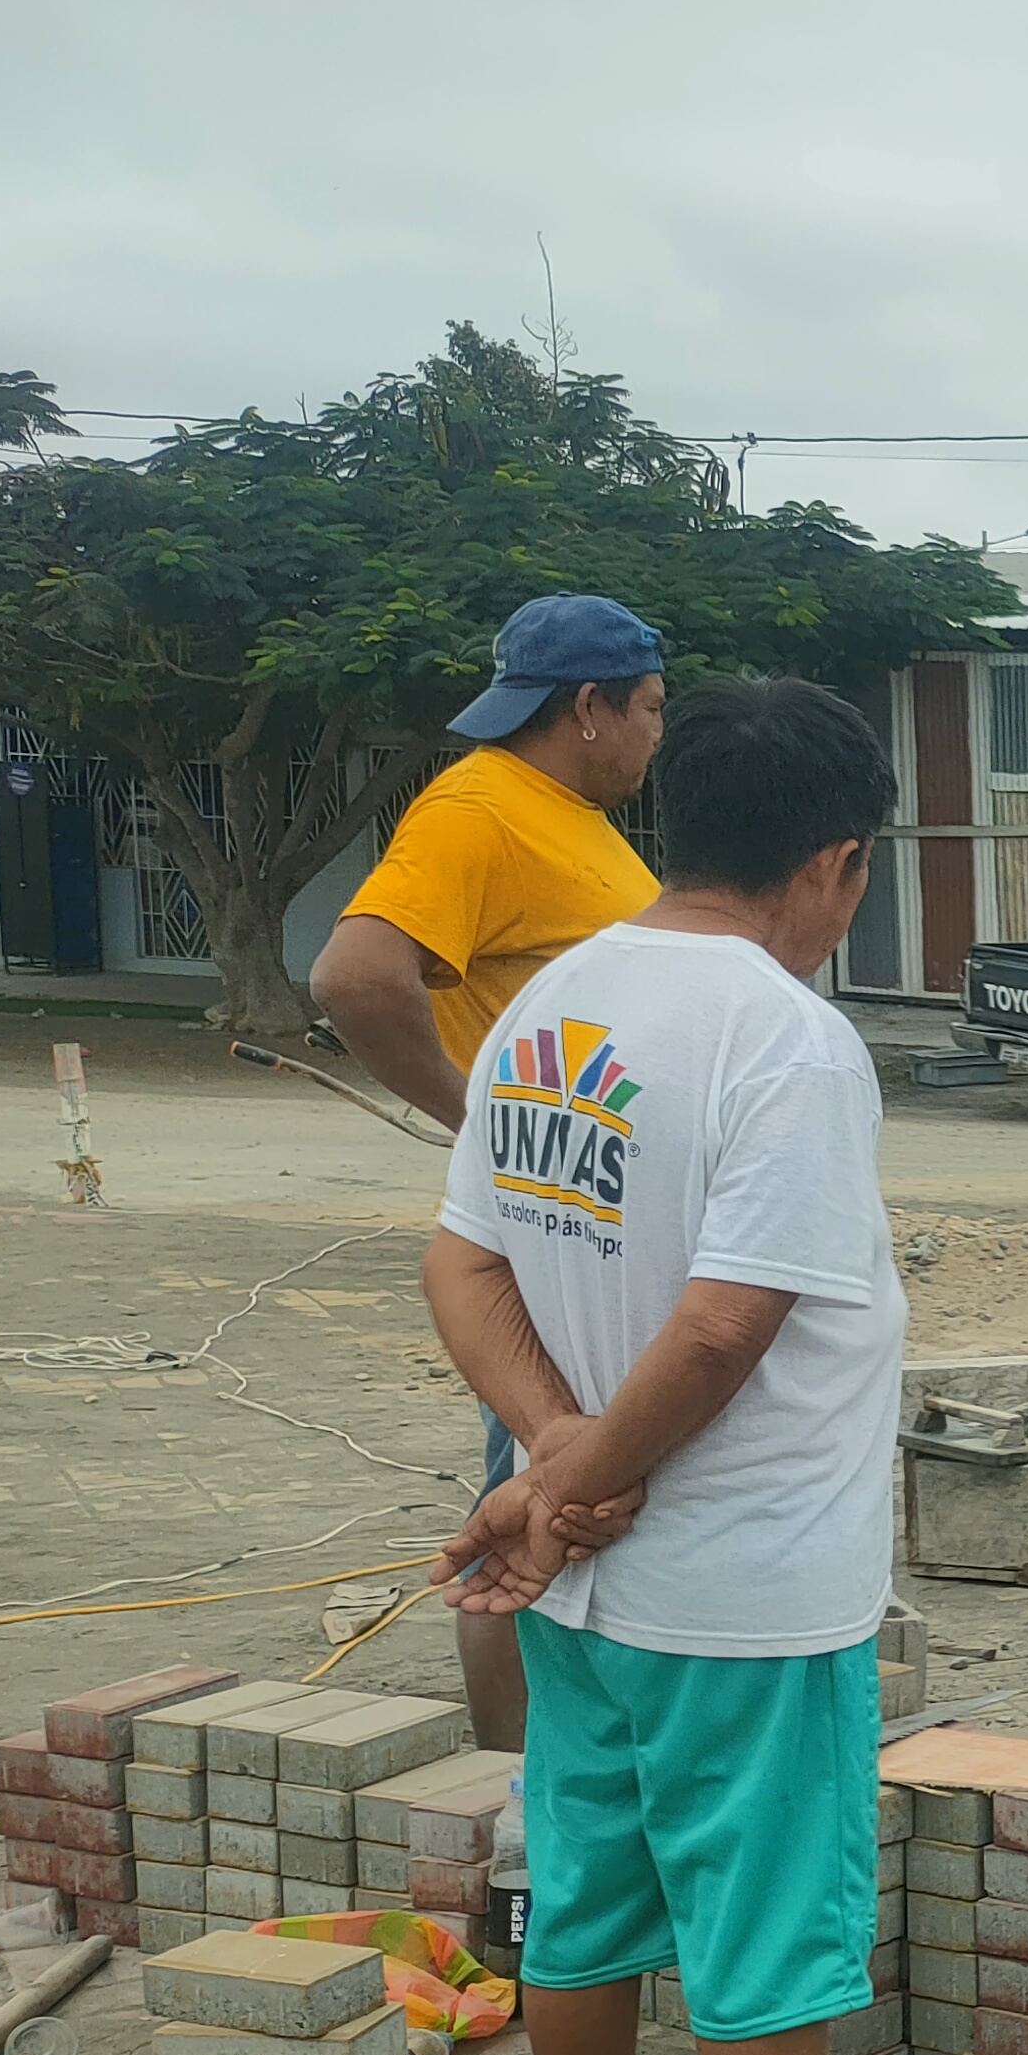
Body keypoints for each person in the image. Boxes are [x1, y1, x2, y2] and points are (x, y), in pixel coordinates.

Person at [422, 675, 993, 2055]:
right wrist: (580, 1469)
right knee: (769, 1938)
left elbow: (463, 1256)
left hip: (584, 1599)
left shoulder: (555, 1000)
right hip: (747, 1596)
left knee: (584, 1901)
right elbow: (729, 1323)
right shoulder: (785, 1037)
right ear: (835, 864)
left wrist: (549, 1458)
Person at [318, 593, 671, 1753]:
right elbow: (356, 975)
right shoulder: (480, 808)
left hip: (601, 1214)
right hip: (547, 1224)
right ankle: (514, 1785)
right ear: (589, 706)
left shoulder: (568, 816)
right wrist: (479, 1122)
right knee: (531, 1490)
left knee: (588, 1474)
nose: (657, 733)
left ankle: (574, 1756)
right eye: (651, 708)